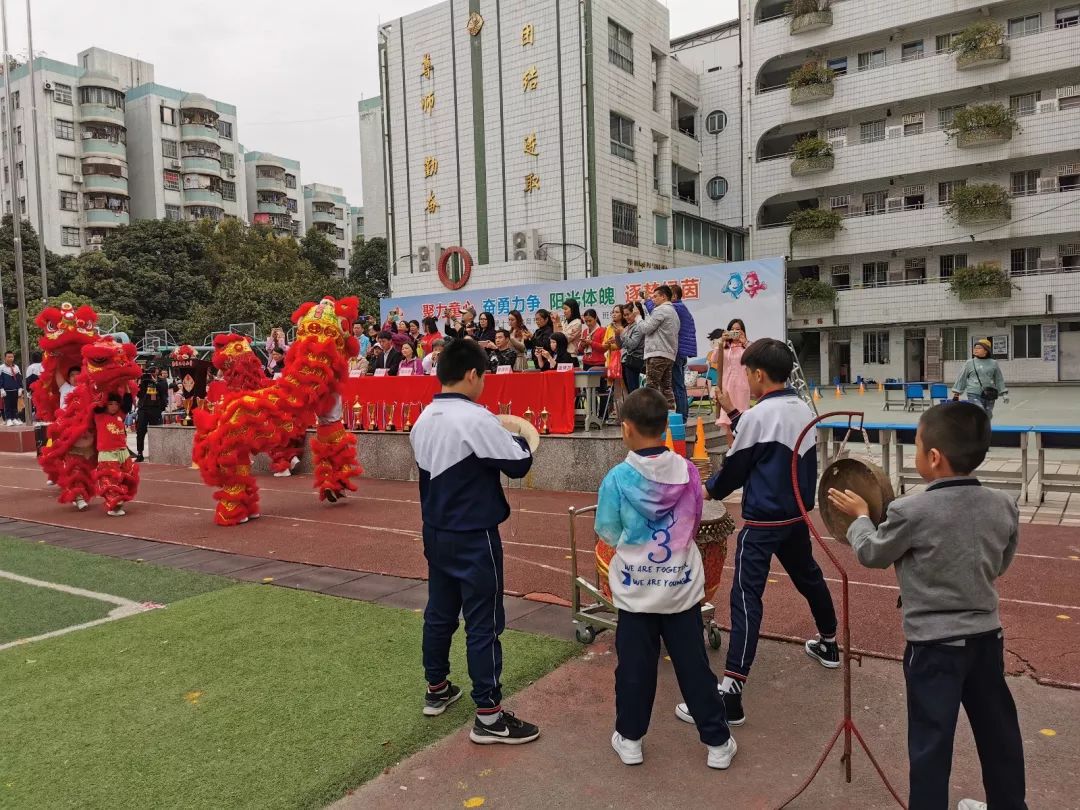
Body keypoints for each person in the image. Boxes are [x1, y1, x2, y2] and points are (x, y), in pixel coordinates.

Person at [827, 403, 1025, 810]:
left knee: (931, 744)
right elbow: (1001, 563)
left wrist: (861, 517)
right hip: (987, 640)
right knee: (999, 734)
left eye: (916, 446)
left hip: (934, 649)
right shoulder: (1003, 504)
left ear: (933, 458)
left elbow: (873, 554)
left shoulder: (910, 511)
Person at [677, 338, 838, 727]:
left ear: (759, 374)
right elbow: (770, 447)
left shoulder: (757, 417)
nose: (745, 379)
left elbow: (737, 468)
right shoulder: (803, 407)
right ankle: (830, 644)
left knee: (747, 596)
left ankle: (731, 692)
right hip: (796, 516)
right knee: (810, 577)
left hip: (763, 521)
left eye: (747, 373)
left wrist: (706, 489)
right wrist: (734, 414)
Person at [596, 387, 737, 770]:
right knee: (693, 666)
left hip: (637, 590)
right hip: (679, 587)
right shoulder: (688, 470)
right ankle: (718, 743)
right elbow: (692, 522)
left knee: (634, 668)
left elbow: (607, 530)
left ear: (626, 429)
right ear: (664, 428)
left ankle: (630, 739)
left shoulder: (618, 478)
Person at [409, 338, 539, 744]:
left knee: (440, 613)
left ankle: (437, 689)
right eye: (482, 376)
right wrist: (516, 435)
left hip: (436, 531)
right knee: (484, 622)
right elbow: (519, 463)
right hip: (474, 536)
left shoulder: (424, 417)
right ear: (471, 374)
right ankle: (489, 714)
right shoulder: (476, 418)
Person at [645, 284, 696, 419]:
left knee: (675, 387)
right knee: (673, 387)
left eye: (657, 296)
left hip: (675, 352)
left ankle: (679, 417)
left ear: (672, 296)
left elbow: (654, 314)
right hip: (678, 351)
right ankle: (678, 417)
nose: (654, 299)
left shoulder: (674, 308)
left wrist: (646, 300)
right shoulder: (681, 309)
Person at [94, 393, 137, 517]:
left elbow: (128, 401)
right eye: (110, 404)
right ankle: (113, 504)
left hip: (123, 452)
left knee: (128, 476)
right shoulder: (99, 416)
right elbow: (97, 403)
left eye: (116, 404)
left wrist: (126, 384)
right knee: (111, 479)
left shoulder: (121, 415)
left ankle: (118, 501)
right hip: (107, 453)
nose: (114, 407)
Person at [638, 286, 680, 410]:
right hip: (669, 354)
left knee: (651, 388)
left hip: (657, 354)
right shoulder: (673, 312)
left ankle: (651, 418)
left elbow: (645, 328)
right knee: (666, 388)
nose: (653, 299)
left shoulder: (661, 310)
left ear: (664, 296)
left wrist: (637, 317)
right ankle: (671, 418)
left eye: (656, 296)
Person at [710, 320, 750, 446]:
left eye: (738, 329)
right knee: (727, 420)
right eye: (732, 329)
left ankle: (741, 447)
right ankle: (731, 449)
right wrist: (721, 342)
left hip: (742, 387)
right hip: (727, 387)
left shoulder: (746, 346)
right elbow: (714, 359)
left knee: (742, 417)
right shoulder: (724, 346)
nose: (735, 332)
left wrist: (745, 342)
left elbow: (754, 359)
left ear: (743, 331)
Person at [952, 338, 1008, 419]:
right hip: (974, 393)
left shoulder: (994, 363)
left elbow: (999, 379)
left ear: (986, 350)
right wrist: (956, 394)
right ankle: (976, 430)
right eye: (975, 348)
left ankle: (984, 430)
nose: (975, 350)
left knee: (988, 415)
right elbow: (962, 378)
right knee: (978, 413)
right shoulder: (969, 363)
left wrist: (1004, 393)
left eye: (979, 348)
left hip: (990, 394)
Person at [135, 363, 169, 462]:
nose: (153, 373)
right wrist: (140, 383)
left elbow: (163, 391)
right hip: (143, 409)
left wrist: (155, 382)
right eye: (151, 371)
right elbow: (139, 394)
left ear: (157, 372)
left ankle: (158, 453)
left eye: (154, 371)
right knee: (140, 431)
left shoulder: (162, 381)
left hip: (155, 409)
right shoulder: (143, 380)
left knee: (156, 432)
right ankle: (140, 453)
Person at [617, 303, 645, 394]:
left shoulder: (638, 326)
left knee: (634, 391)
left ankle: (637, 408)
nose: (626, 317)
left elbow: (633, 344)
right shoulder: (628, 327)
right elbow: (620, 346)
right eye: (624, 315)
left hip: (635, 361)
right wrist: (617, 335)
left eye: (628, 314)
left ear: (636, 313)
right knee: (630, 390)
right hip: (626, 361)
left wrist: (622, 333)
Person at [1, 351, 23, 426]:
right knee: (7, 405)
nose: (11, 358)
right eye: (9, 357)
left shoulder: (16, 367)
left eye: (12, 357)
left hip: (15, 390)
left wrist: (20, 388)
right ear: (5, 358)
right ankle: (9, 419)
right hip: (6, 390)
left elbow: (19, 378)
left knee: (14, 405)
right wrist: (1, 389)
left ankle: (14, 418)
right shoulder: (1, 368)